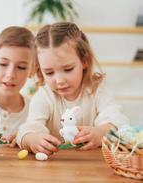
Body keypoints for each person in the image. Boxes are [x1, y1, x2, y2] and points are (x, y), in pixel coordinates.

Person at [16, 22, 129, 155]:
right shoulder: (44, 96)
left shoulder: (97, 91)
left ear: (84, 61)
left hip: (93, 167)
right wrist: (31, 140)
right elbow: (27, 130)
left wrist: (101, 133)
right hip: (54, 168)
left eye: (68, 69)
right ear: (40, 70)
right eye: (49, 73)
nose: (59, 80)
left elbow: (119, 123)